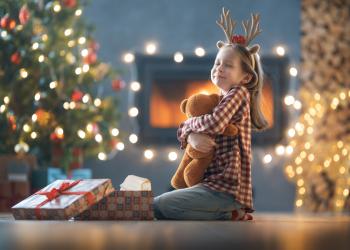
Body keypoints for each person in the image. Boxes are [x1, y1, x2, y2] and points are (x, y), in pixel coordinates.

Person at [153, 8, 269, 220]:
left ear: (245, 77)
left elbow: (214, 124)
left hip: (226, 190)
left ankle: (229, 212)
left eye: (228, 65)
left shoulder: (239, 94)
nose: (219, 69)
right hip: (211, 186)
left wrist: (189, 127)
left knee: (159, 205)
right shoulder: (219, 99)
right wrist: (190, 134)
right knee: (161, 203)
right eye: (217, 63)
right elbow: (196, 127)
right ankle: (229, 213)